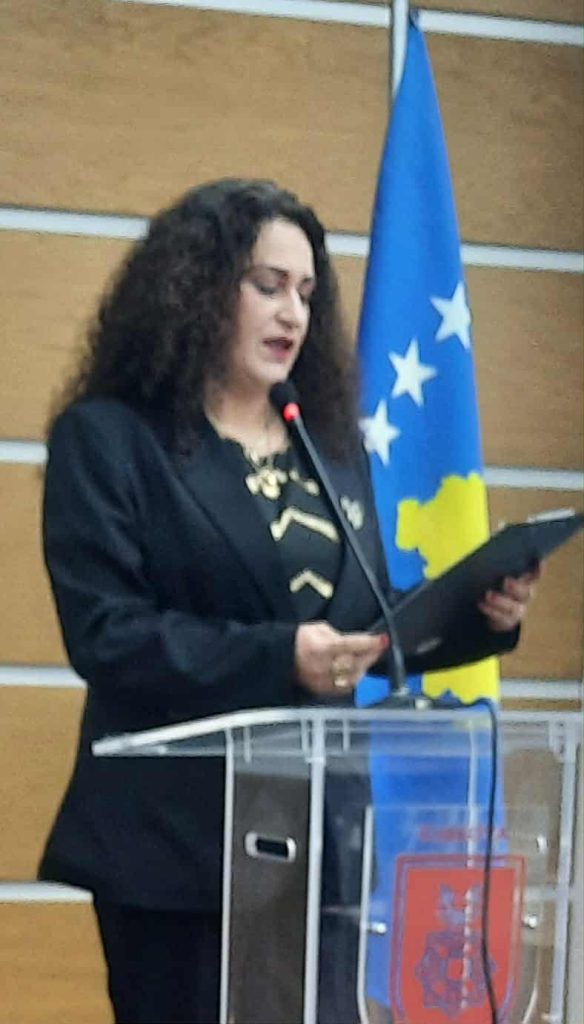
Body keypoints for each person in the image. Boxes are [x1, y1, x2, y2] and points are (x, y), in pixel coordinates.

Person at [38, 179, 536, 1024]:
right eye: (268, 286)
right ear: (198, 289)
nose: (293, 314)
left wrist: (472, 614)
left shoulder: (324, 445)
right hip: (179, 849)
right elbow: (107, 635)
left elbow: (362, 623)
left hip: (321, 842)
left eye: (307, 292)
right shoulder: (111, 439)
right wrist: (282, 658)